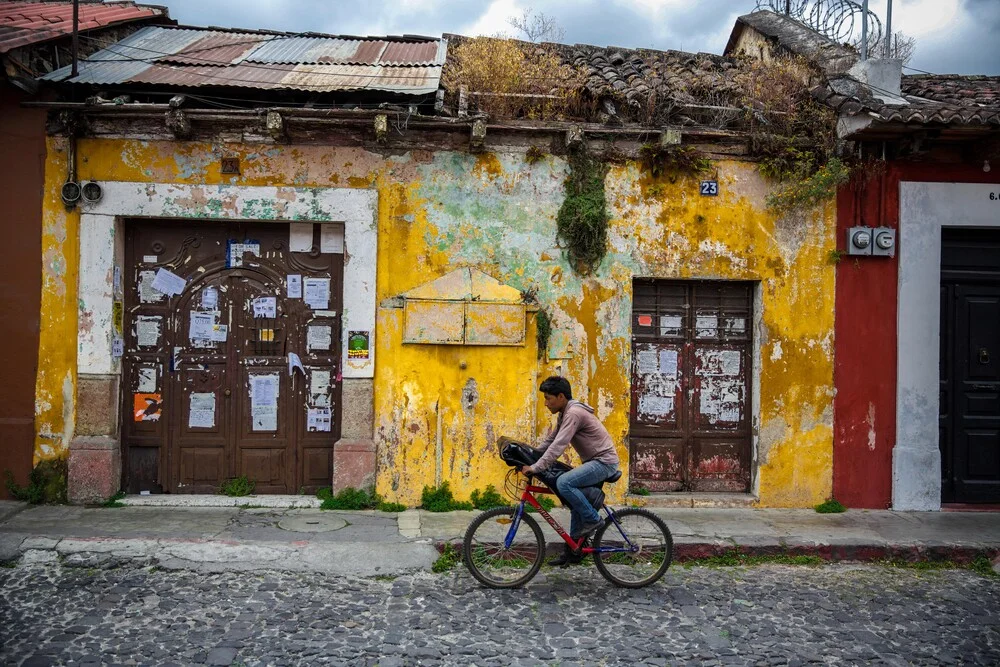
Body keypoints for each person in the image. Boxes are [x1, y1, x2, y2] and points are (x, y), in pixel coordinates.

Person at [521, 376, 619, 566]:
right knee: (574, 501)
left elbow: (559, 445)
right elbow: (551, 440)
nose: (546, 403)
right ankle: (574, 551)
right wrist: (531, 454)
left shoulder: (574, 413)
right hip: (594, 462)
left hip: (604, 463)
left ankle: (593, 520)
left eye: (548, 398)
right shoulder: (565, 412)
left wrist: (536, 467)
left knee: (564, 483)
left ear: (561, 396)